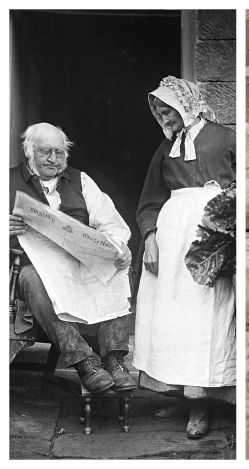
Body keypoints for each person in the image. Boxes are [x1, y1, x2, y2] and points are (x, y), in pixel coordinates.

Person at [133, 76, 236, 439]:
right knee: (171, 318)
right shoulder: (165, 148)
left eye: (168, 109)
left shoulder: (226, 138)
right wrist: (150, 238)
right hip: (171, 238)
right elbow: (149, 199)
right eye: (158, 110)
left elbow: (247, 188)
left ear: (187, 105)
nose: (163, 116)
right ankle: (176, 393)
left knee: (204, 319)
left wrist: (231, 234)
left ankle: (201, 402)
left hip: (212, 235)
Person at [9, 122, 134, 393]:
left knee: (119, 265)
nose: (54, 159)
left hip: (80, 264)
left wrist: (118, 247)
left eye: (60, 153)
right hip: (37, 269)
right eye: (46, 152)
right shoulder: (6, 181)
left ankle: (114, 360)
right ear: (29, 152)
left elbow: (111, 224)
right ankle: (84, 362)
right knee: (31, 277)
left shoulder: (81, 180)